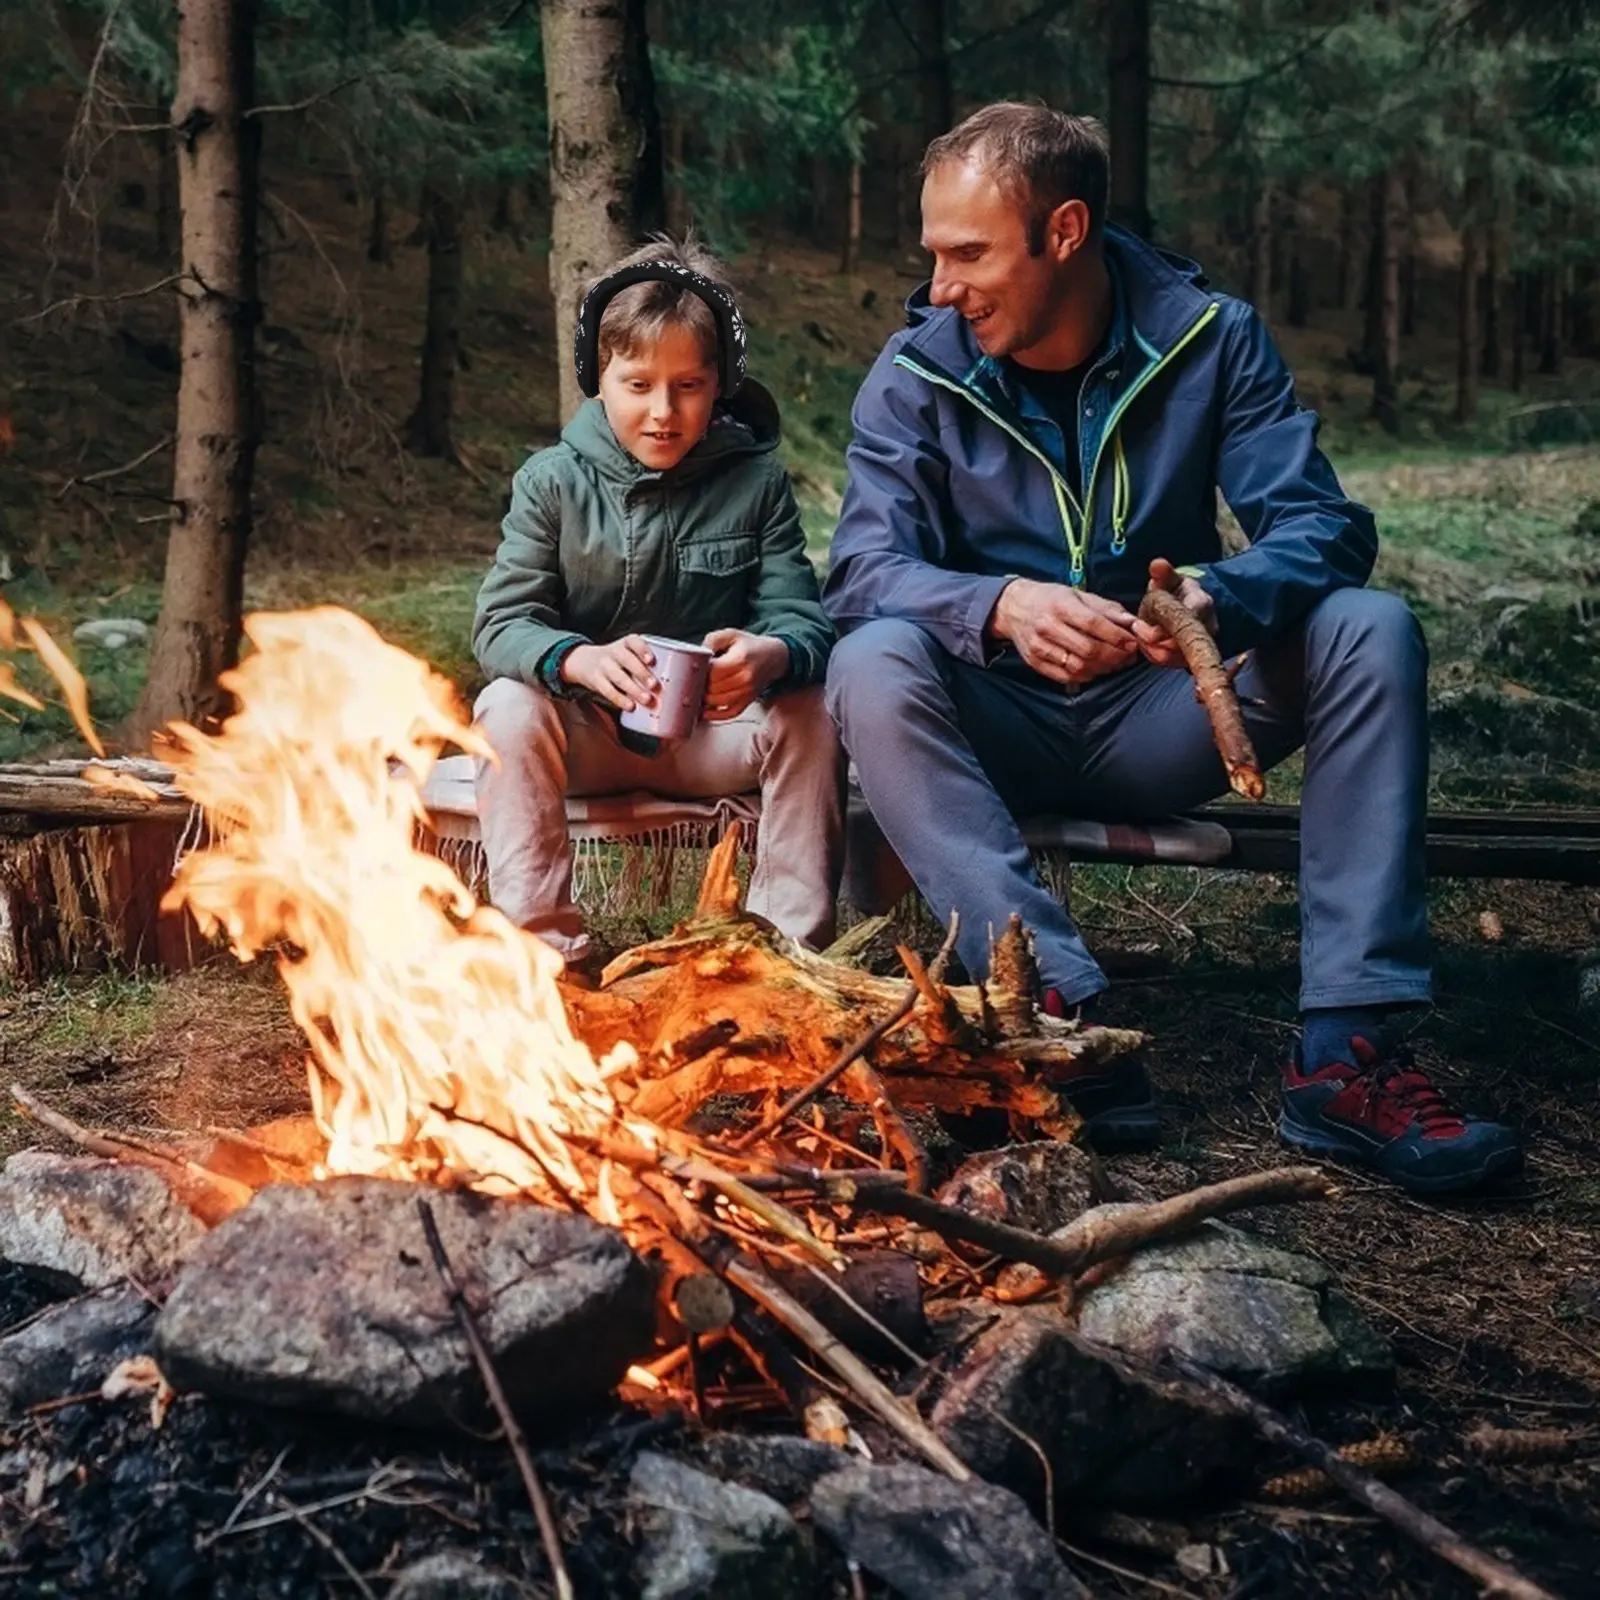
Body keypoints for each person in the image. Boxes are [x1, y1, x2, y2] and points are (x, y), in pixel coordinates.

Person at [822, 102, 1521, 1194]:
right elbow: (861, 573)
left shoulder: (1209, 338)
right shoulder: (916, 373)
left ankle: (1347, 1054)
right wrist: (999, 604)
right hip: (986, 725)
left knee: (1368, 630)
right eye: (933, 255)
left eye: (968, 254)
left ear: (1063, 232)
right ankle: (1056, 1011)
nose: (942, 286)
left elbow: (1325, 528)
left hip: (1166, 719)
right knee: (868, 660)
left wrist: (1214, 597)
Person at [472, 236, 843, 969]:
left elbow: (803, 621)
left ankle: (783, 957)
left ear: (721, 384)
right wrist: (575, 660)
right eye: (638, 385)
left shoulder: (756, 483)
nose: (663, 413)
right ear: (599, 378)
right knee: (506, 707)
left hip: (715, 736)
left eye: (689, 386)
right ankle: (544, 957)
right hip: (589, 740)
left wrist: (770, 654)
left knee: (813, 706)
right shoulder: (550, 482)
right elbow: (500, 624)